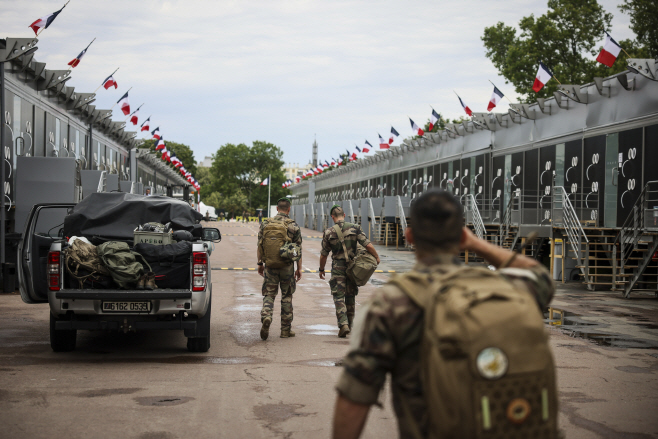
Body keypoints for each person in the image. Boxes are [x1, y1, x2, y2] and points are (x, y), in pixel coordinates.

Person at [331, 189, 555, 439]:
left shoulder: (391, 304)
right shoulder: (509, 287)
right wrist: (476, 243)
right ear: (461, 236)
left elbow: (355, 398)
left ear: (410, 236)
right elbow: (541, 277)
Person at [319, 205, 380, 338]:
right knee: (350, 296)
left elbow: (324, 254)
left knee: (339, 297)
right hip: (353, 269)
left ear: (332, 217)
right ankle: (350, 326)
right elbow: (368, 245)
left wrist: (321, 269)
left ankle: (343, 324)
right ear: (344, 215)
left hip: (338, 269)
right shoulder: (355, 228)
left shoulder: (329, 232)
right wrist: (376, 257)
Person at [257, 197, 303, 339]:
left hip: (270, 266)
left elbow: (260, 245)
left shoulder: (265, 224)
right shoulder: (293, 226)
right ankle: (285, 330)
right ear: (289, 209)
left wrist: (260, 263)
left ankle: (267, 316)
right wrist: (299, 269)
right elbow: (298, 250)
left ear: (277, 209)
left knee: (269, 295)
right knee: (287, 297)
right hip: (287, 267)